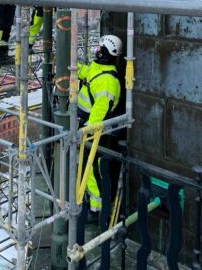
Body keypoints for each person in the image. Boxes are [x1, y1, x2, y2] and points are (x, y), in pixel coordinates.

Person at [76, 34, 122, 264]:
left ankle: (98, 208)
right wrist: (75, 68)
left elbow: (100, 111)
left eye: (100, 48)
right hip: (86, 125)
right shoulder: (98, 69)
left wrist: (85, 131)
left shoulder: (109, 81)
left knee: (91, 169)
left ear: (106, 53)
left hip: (93, 131)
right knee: (88, 168)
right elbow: (88, 74)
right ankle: (93, 203)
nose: (96, 51)